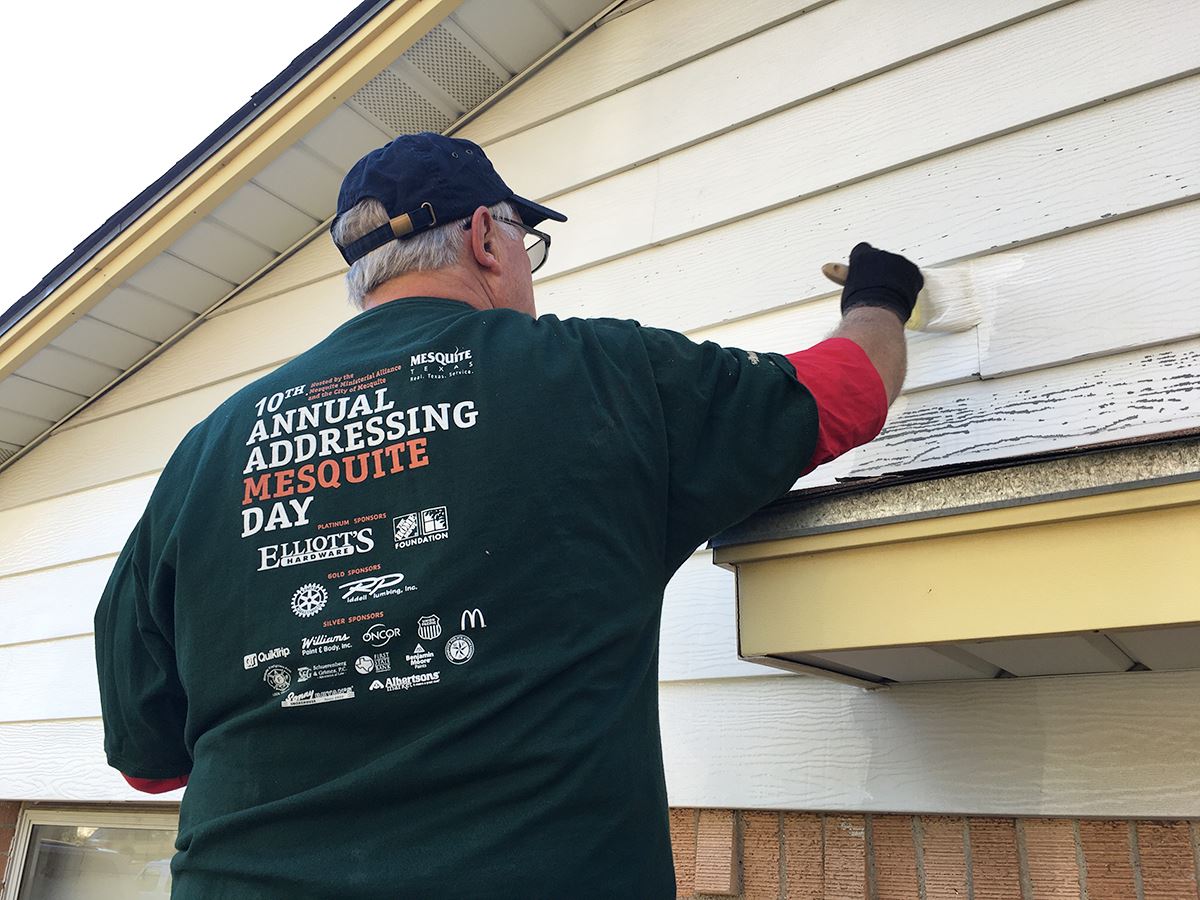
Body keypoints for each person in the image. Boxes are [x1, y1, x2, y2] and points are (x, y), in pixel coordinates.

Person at [94, 132, 921, 899]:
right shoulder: (602, 379)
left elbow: (150, 763)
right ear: (487, 238)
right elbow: (848, 391)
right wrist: (879, 296)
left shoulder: (208, 450)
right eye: (528, 244)